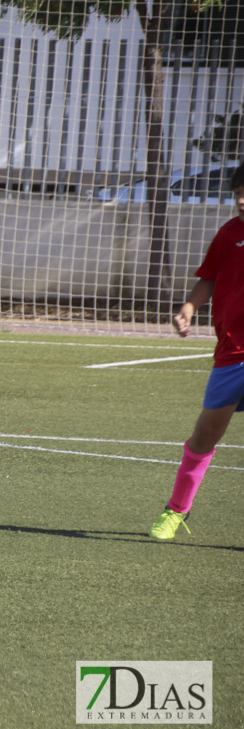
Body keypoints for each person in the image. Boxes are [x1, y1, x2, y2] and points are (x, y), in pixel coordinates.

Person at [150, 164, 244, 540]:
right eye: (238, 191)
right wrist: (189, 308)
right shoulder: (229, 233)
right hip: (232, 354)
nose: (240, 198)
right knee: (204, 436)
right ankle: (176, 509)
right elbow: (209, 277)